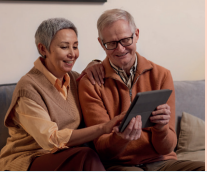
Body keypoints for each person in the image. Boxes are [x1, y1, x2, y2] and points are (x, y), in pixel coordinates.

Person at [78, 9, 205, 171]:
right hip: (120, 165)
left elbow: (167, 148)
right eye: (111, 43)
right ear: (101, 43)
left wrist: (161, 129)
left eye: (126, 40)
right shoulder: (91, 83)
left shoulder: (161, 75)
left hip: (163, 162)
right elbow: (103, 150)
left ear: (136, 34)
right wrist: (120, 138)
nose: (120, 49)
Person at [0, 18, 124, 171]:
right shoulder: (28, 87)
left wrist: (95, 64)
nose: (72, 54)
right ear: (43, 49)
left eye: (75, 46)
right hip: (28, 160)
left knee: (88, 156)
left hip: (68, 157)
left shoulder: (76, 80)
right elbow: (50, 140)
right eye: (64, 47)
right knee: (86, 156)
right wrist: (103, 128)